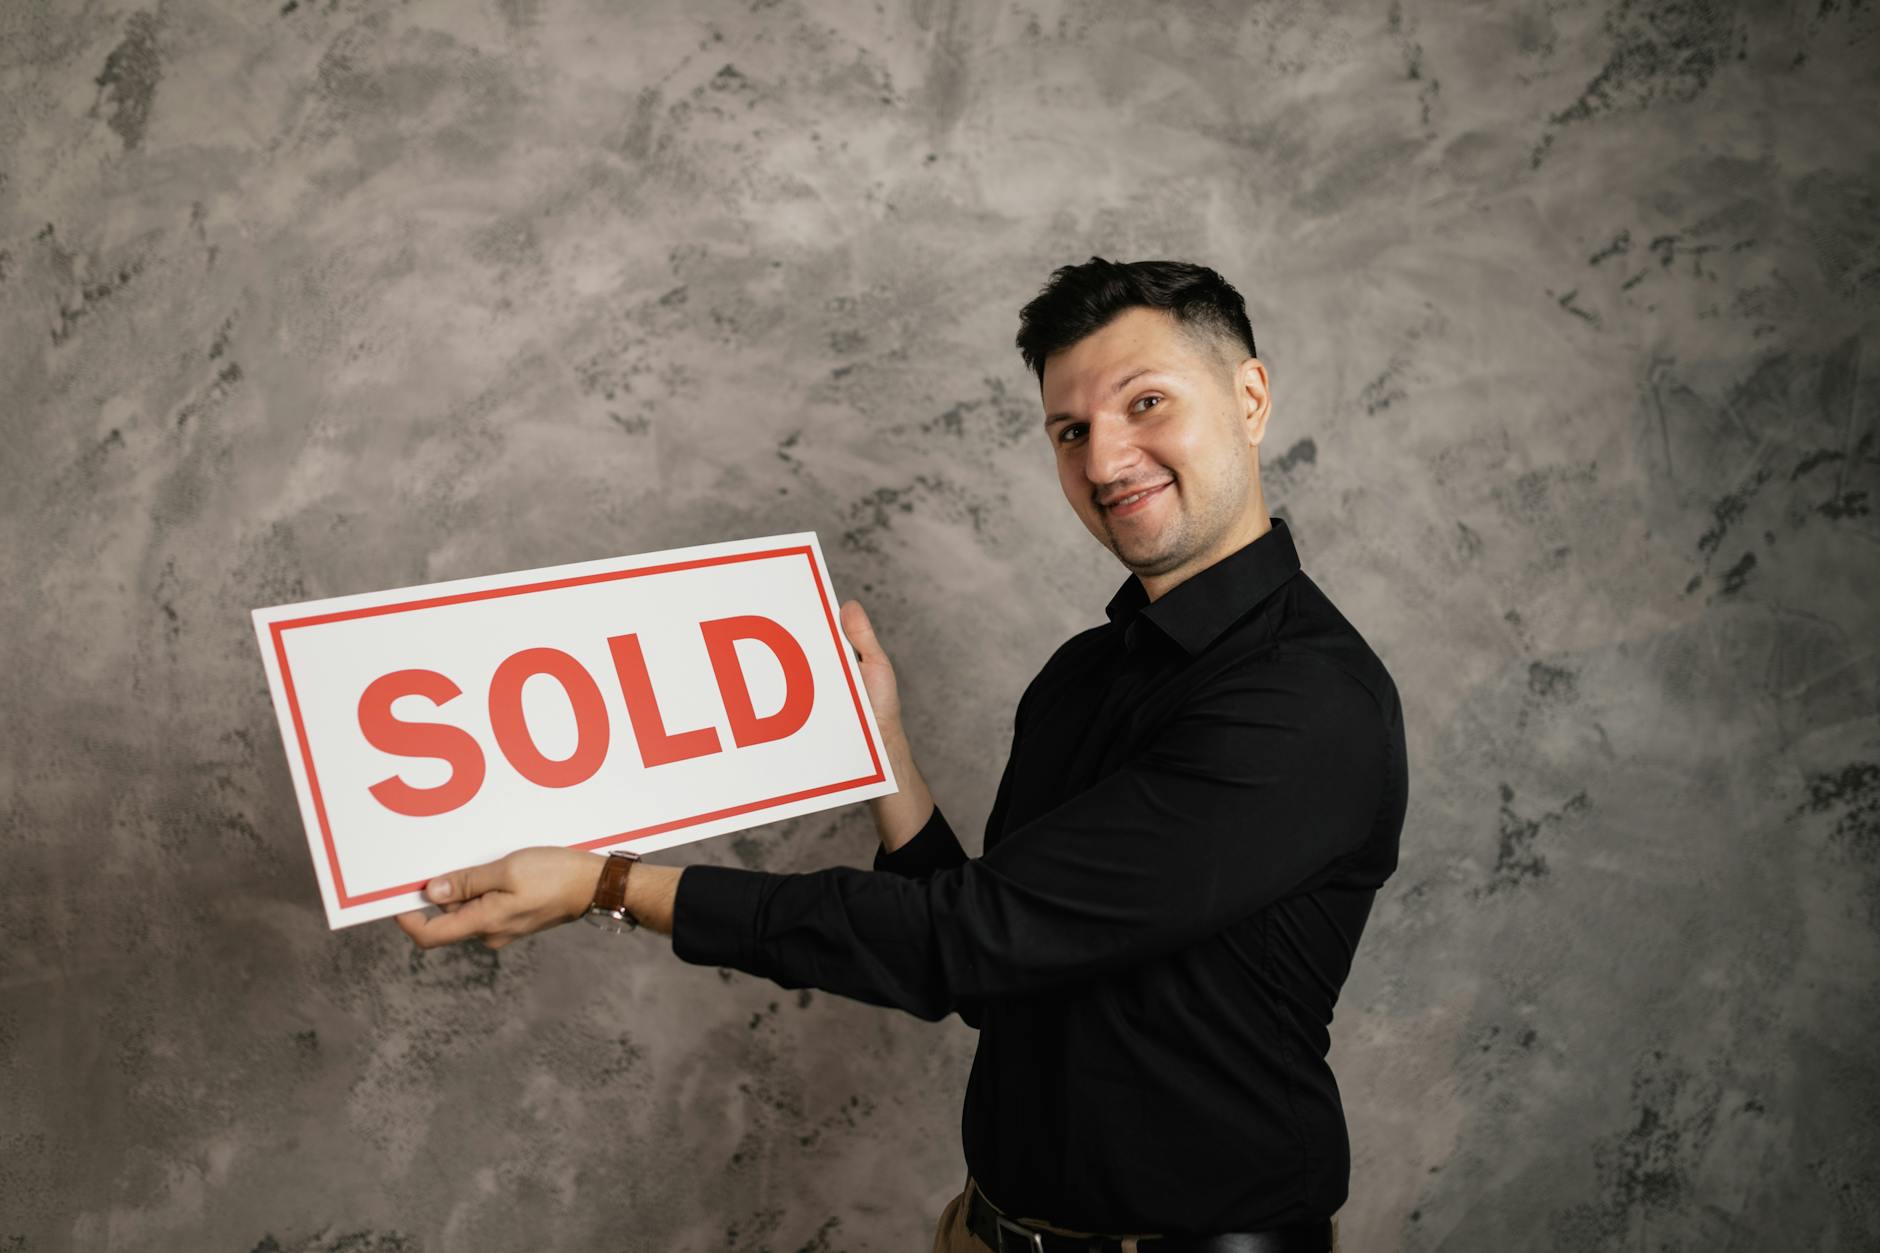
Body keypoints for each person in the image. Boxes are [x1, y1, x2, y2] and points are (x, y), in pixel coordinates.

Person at [398, 257, 1406, 1253]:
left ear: (1249, 397)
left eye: (1145, 402)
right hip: (984, 1230)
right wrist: (881, 750)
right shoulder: (1085, 674)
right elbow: (993, 968)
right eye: (1070, 430)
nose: (1103, 461)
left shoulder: (1304, 701)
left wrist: (603, 882)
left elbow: (960, 937)